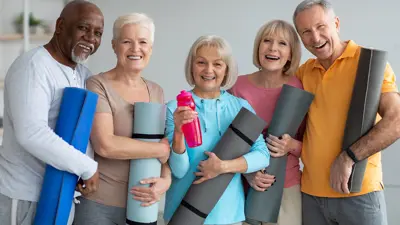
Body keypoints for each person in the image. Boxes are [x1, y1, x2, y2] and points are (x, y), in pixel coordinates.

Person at [293, 1, 400, 224]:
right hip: (311, 196)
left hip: (359, 194)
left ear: (336, 23)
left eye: (321, 26)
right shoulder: (304, 72)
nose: (315, 37)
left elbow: (396, 120)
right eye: (306, 32)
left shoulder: (369, 64)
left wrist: (350, 156)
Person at [0, 0, 104, 224]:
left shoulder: (84, 74)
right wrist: (86, 167)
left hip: (62, 193)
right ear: (60, 26)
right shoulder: (33, 67)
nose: (90, 38)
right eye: (83, 28)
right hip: (25, 196)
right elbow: (31, 132)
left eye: (98, 33)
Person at [72, 13, 171, 225]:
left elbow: (166, 143)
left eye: (143, 42)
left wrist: (166, 180)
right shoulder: (97, 85)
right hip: (100, 205)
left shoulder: (156, 91)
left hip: (143, 205)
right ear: (114, 46)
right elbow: (106, 145)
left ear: (151, 48)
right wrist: (160, 150)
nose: (136, 49)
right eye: (127, 41)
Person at [163, 35, 270, 225]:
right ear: (191, 66)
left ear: (226, 68)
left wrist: (223, 167)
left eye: (217, 64)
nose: (208, 70)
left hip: (229, 216)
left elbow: (262, 155)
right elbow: (178, 171)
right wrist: (179, 132)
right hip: (183, 216)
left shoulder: (239, 107)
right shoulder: (175, 108)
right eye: (201, 62)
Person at [229, 20, 304, 225]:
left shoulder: (300, 88)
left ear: (291, 53)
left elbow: (311, 142)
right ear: (258, 47)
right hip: (242, 185)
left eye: (282, 43)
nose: (273, 48)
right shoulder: (236, 87)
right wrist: (249, 172)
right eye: (267, 41)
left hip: (286, 186)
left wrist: (291, 146)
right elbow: (226, 141)